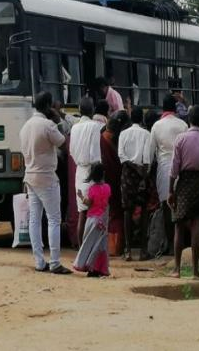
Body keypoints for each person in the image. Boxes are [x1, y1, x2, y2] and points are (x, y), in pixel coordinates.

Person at [19, 91, 72, 274]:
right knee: (54, 219)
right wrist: (58, 119)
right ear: (49, 105)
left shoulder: (25, 126)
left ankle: (39, 261)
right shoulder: (48, 125)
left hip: (30, 177)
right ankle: (55, 262)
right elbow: (63, 143)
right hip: (47, 178)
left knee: (35, 219)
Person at [169, 105, 199, 280]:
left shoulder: (180, 139)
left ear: (188, 119)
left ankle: (177, 269)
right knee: (196, 224)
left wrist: (171, 190)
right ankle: (196, 271)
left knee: (179, 225)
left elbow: (174, 169)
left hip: (184, 182)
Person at [150, 94, 189, 248]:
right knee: (182, 207)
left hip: (164, 168)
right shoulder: (182, 125)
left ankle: (171, 245)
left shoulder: (156, 126)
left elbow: (150, 152)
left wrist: (147, 171)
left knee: (166, 208)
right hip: (181, 170)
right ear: (175, 108)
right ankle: (183, 244)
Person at [117, 106, 155, 261]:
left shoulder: (123, 134)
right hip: (142, 174)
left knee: (127, 210)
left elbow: (121, 154)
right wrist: (143, 175)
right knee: (144, 209)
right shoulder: (146, 134)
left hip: (127, 173)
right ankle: (143, 251)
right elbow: (147, 158)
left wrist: (132, 166)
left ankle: (128, 250)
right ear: (142, 119)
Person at [69, 97, 105, 248]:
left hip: (79, 172)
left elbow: (71, 151)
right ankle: (92, 248)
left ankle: (81, 249)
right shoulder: (95, 126)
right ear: (92, 110)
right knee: (96, 212)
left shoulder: (74, 128)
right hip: (92, 172)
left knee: (82, 213)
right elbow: (96, 155)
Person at [73, 163, 111, 277]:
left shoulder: (92, 189)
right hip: (103, 221)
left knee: (89, 243)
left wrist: (80, 196)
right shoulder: (107, 188)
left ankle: (88, 266)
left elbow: (89, 203)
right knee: (101, 245)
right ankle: (99, 268)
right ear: (103, 174)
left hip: (92, 220)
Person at [100, 111, 130, 256]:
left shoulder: (102, 139)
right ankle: (115, 248)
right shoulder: (115, 141)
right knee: (117, 213)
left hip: (104, 183)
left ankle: (108, 247)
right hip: (117, 182)